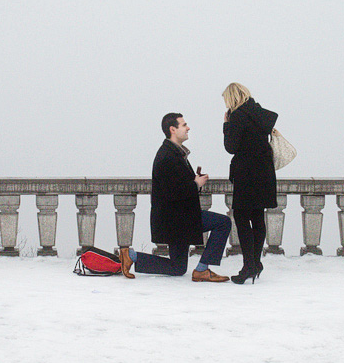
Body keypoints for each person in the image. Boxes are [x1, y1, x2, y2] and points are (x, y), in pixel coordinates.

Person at [119, 113, 231, 283]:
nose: (188, 128)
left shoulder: (173, 153)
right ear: (173, 129)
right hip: (178, 219)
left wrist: (193, 180)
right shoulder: (167, 156)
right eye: (184, 125)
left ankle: (131, 256)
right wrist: (196, 184)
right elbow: (172, 192)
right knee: (223, 223)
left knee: (177, 268)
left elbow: (175, 184)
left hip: (178, 218)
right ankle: (202, 270)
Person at [222, 83, 278, 284]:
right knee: (257, 216)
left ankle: (249, 266)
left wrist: (226, 125)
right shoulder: (259, 113)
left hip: (247, 173)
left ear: (232, 98)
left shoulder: (237, 116)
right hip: (264, 171)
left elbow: (231, 147)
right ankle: (255, 263)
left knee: (241, 215)